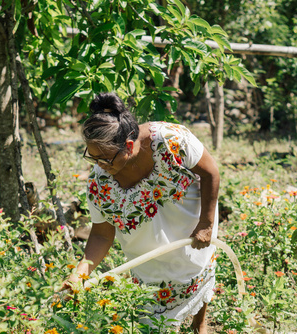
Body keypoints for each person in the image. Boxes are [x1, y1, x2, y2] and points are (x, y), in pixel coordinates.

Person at [63, 92, 220, 333]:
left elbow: (210, 173)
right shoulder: (100, 182)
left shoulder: (171, 140)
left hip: (189, 219)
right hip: (147, 251)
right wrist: (80, 273)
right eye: (92, 157)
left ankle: (200, 325)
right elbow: (102, 235)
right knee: (153, 315)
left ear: (128, 145)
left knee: (197, 269)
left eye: (105, 159)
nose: (99, 166)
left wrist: (206, 224)